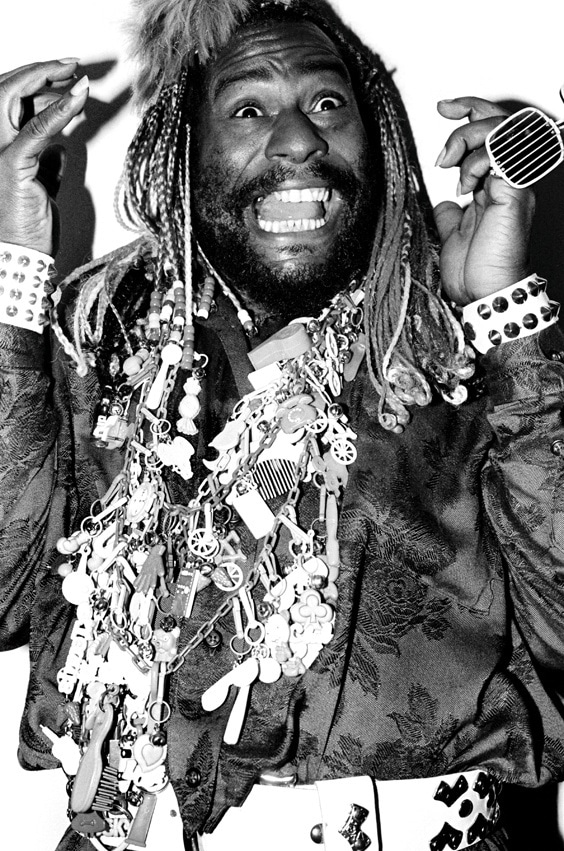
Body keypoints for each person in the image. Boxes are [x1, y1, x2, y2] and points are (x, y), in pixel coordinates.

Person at [1, 0, 564, 849]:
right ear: (185, 153)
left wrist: (504, 314)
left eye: (327, 103)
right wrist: (16, 257)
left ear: (377, 141)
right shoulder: (100, 337)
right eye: (248, 109)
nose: (298, 139)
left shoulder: (457, 343)